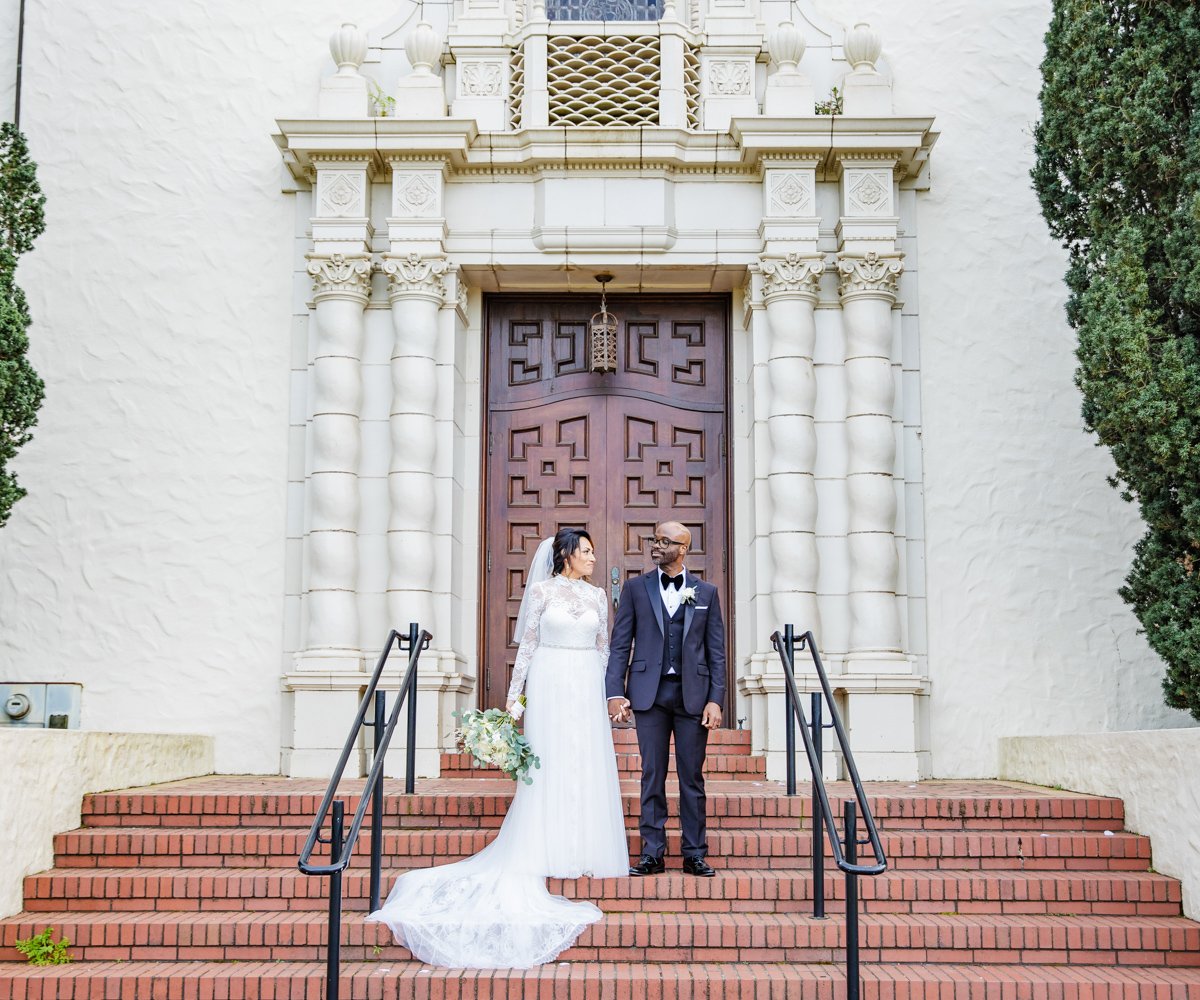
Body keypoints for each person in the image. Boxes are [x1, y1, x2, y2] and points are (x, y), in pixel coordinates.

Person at [367, 527, 627, 968]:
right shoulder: (543, 592)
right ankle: (545, 845)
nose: (593, 558)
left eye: (592, 551)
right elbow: (528, 645)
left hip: (584, 681)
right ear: (565, 555)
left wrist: (605, 694)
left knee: (586, 763)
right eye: (585, 551)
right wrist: (514, 699)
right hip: (548, 680)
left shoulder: (600, 597)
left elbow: (604, 649)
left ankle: (584, 846)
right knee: (549, 764)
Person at [605, 520, 726, 878]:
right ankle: (652, 853)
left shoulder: (706, 592)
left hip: (693, 697)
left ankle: (694, 853)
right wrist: (615, 692)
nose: (655, 546)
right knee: (651, 774)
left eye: (663, 541)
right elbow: (619, 644)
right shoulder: (635, 589)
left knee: (692, 777)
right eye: (653, 540)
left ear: (683, 549)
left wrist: (715, 699)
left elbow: (715, 651)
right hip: (649, 695)